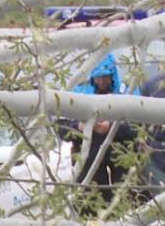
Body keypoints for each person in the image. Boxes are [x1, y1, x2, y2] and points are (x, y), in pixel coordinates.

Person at [58, 54, 142, 210]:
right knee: (88, 208)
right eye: (98, 77)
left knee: (125, 204)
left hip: (121, 164)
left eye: (106, 77)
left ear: (112, 75)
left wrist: (112, 127)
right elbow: (61, 128)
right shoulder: (78, 93)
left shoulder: (127, 92)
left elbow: (139, 128)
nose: (102, 82)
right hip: (87, 167)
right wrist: (80, 127)